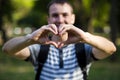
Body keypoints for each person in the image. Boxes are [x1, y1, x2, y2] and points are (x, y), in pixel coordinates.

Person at [2, 0, 116, 80]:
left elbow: (110, 49)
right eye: (55, 15)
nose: (60, 20)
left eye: (65, 14)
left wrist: (86, 37)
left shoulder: (83, 48)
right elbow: (7, 49)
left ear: (73, 18)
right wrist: (30, 38)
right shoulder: (40, 47)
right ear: (48, 19)